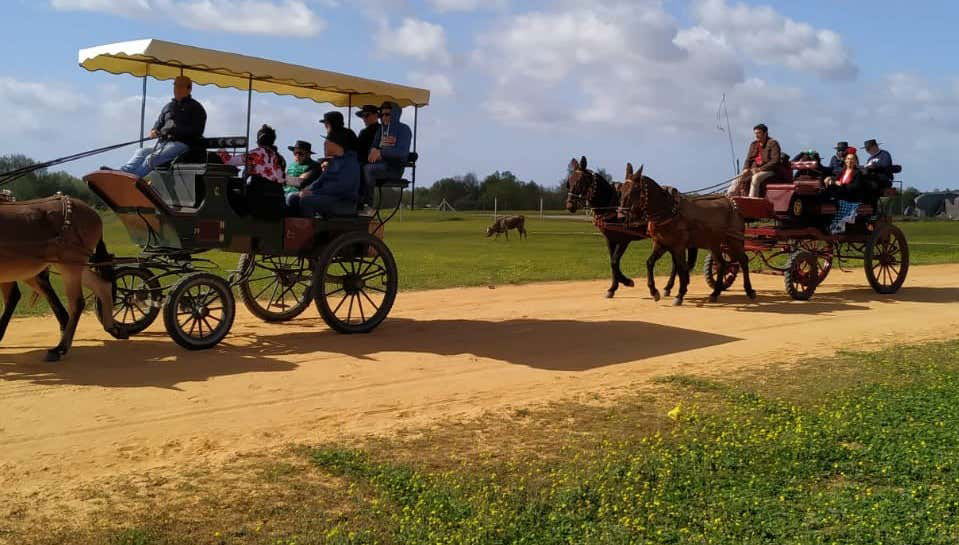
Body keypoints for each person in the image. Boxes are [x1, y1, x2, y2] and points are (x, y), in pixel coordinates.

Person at [107, 76, 206, 178]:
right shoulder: (169, 107)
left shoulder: (196, 108)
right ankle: (121, 173)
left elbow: (197, 131)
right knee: (141, 152)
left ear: (189, 89)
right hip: (164, 143)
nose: (177, 89)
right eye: (175, 86)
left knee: (152, 158)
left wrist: (174, 131)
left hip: (183, 144)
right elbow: (159, 122)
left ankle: (134, 179)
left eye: (180, 86)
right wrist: (154, 130)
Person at [286, 127, 361, 218]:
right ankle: (292, 228)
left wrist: (315, 193)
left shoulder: (350, 163)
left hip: (343, 202)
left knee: (306, 201)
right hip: (328, 197)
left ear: (336, 143)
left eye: (327, 141)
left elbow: (341, 188)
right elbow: (319, 181)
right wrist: (307, 190)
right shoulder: (335, 161)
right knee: (292, 198)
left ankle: (307, 230)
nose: (324, 144)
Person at [363, 101, 412, 207]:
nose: (383, 117)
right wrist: (373, 152)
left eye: (387, 114)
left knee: (368, 169)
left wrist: (382, 153)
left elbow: (402, 153)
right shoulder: (380, 130)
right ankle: (354, 204)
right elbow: (373, 148)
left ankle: (368, 205)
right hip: (379, 165)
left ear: (395, 114)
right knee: (357, 167)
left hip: (394, 168)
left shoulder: (404, 129)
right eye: (381, 114)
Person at [727, 123, 788, 198]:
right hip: (754, 169)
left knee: (756, 178)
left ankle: (752, 198)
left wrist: (760, 169)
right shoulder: (753, 144)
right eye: (755, 133)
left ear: (765, 133)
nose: (756, 135)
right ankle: (730, 196)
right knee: (739, 177)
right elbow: (748, 159)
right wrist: (746, 169)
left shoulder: (773, 143)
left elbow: (775, 161)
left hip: (769, 170)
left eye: (759, 133)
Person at [217, 124, 286, 183]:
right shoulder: (280, 158)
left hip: (258, 194)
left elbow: (230, 161)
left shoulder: (255, 154)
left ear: (258, 141)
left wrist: (221, 149)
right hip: (279, 195)